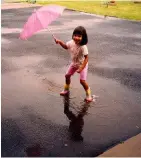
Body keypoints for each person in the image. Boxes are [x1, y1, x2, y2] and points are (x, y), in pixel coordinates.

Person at [54, 26, 93, 102]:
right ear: (73, 35)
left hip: (82, 65)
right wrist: (60, 42)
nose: (76, 38)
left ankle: (89, 96)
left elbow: (86, 58)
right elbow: (66, 47)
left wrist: (81, 68)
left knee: (82, 81)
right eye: (75, 35)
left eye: (79, 36)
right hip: (74, 63)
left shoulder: (83, 47)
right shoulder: (71, 42)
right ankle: (66, 90)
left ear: (83, 37)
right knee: (67, 75)